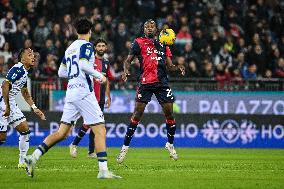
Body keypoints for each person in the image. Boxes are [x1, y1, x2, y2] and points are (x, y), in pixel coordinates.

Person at [24, 17, 121, 179]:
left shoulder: (69, 48)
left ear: (76, 31)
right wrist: (100, 76)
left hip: (71, 93)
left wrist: (75, 76)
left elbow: (61, 72)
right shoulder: (87, 46)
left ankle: (32, 157)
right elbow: (83, 64)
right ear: (90, 31)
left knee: (62, 132)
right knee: (100, 130)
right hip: (84, 93)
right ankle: (103, 171)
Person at [116, 19, 185, 164]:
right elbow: (128, 61)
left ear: (156, 29)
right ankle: (124, 148)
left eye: (152, 26)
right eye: (146, 26)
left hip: (162, 83)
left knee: (170, 114)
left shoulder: (163, 44)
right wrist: (126, 71)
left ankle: (170, 145)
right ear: (144, 29)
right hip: (146, 83)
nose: (149, 28)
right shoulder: (138, 42)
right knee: (137, 115)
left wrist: (178, 67)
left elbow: (169, 66)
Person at [0, 48, 46, 168]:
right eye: (29, 55)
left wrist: (35, 108)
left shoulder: (24, 72)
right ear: (22, 58)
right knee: (2, 138)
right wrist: (7, 106)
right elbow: (5, 85)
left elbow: (25, 92)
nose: (33, 57)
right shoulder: (18, 69)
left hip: (10, 102)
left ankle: (22, 162)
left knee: (25, 131)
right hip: (3, 102)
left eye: (33, 55)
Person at [69, 38, 113, 158]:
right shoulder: (88, 60)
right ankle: (75, 144)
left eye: (103, 46)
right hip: (89, 96)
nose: (101, 48)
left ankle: (90, 151)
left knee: (94, 123)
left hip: (101, 98)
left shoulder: (106, 63)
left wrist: (108, 96)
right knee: (91, 123)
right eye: (99, 46)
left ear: (106, 48)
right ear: (95, 48)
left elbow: (107, 80)